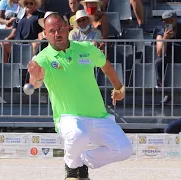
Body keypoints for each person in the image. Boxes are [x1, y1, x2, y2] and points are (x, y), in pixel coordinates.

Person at [27, 12, 133, 180]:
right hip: (68, 117)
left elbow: (105, 65)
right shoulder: (42, 59)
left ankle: (80, 162)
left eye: (60, 28)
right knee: (78, 136)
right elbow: (35, 83)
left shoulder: (86, 49)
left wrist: (119, 87)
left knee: (124, 149)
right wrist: (37, 77)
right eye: (52, 30)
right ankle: (71, 168)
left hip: (99, 115)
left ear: (68, 28)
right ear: (45, 34)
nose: (57, 34)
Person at [155, 10, 181, 88]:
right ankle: (164, 88)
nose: (169, 23)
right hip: (170, 56)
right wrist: (165, 39)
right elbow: (160, 53)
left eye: (171, 20)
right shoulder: (160, 33)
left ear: (176, 19)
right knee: (158, 62)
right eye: (166, 21)